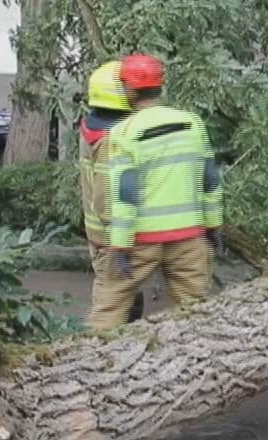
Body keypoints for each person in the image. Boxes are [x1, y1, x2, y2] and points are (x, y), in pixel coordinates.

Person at [91, 54, 224, 330]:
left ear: (128, 89)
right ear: (160, 86)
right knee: (194, 316)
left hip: (141, 240)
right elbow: (210, 179)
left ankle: (99, 367)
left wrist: (121, 244)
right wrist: (214, 226)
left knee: (109, 311)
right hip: (190, 237)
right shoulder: (193, 123)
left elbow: (126, 194)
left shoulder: (124, 132)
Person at [78, 60, 145, 326]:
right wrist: (121, 239)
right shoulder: (111, 138)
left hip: (101, 234)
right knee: (113, 308)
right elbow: (107, 197)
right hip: (111, 238)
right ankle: (96, 358)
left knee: (124, 299)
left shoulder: (92, 127)